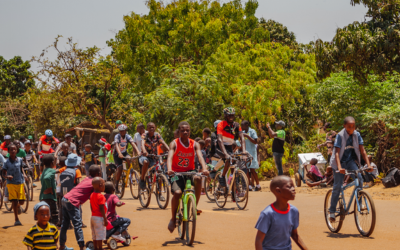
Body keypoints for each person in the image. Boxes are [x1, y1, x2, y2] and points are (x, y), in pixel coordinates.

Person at [328, 116, 373, 223]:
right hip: (338, 162)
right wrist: (339, 167)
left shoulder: (357, 135)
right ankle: (332, 211)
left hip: (350, 161)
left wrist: (368, 165)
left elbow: (363, 151)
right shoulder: (340, 135)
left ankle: (360, 201)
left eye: (353, 126)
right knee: (337, 186)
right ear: (344, 126)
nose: (351, 129)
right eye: (349, 127)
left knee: (360, 180)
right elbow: (337, 153)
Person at [167, 121, 209, 233]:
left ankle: (194, 207)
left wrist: (204, 169)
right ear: (179, 132)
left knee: (198, 179)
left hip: (190, 171)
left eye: (187, 130)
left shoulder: (194, 143)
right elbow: (170, 157)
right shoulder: (174, 143)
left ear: (190, 131)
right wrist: (169, 169)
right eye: (183, 130)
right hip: (176, 173)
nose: (185, 132)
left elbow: (200, 157)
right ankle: (172, 219)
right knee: (177, 193)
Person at [255, 176, 308, 250]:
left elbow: (295, 235)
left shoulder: (294, 211)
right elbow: (258, 240)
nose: (293, 189)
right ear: (278, 191)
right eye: (289, 187)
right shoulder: (267, 214)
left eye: (293, 186)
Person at [59, 164, 101, 250]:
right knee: (77, 225)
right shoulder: (95, 183)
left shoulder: (87, 178)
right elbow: (94, 199)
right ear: (98, 173)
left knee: (65, 224)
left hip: (65, 198)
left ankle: (62, 246)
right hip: (73, 202)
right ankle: (82, 247)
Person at [214, 107, 246, 187]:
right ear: (225, 116)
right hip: (220, 147)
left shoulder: (236, 125)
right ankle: (222, 176)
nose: (231, 117)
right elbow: (220, 140)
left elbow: (242, 137)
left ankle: (233, 190)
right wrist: (225, 154)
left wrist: (244, 151)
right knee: (228, 158)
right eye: (229, 115)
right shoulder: (221, 124)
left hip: (229, 148)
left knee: (233, 167)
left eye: (232, 115)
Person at [2, 143, 28, 226]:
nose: (13, 151)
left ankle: (17, 206)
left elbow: (21, 168)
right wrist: (7, 176)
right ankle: (16, 219)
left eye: (14, 149)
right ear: (8, 151)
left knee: (22, 201)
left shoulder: (20, 159)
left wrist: (24, 174)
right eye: (11, 150)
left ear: (17, 150)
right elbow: (3, 173)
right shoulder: (6, 162)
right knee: (14, 200)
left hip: (20, 182)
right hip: (11, 183)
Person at [139, 122, 169, 189]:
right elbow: (142, 144)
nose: (151, 128)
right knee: (146, 162)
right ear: (147, 128)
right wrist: (144, 151)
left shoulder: (157, 135)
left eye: (153, 127)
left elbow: (163, 143)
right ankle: (142, 180)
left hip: (154, 157)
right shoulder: (144, 135)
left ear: (155, 128)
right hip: (145, 156)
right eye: (150, 127)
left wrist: (170, 150)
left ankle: (160, 192)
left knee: (159, 172)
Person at [56, 155, 82, 228]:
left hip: (64, 190)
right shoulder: (77, 170)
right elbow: (77, 182)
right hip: (73, 191)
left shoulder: (64, 168)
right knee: (77, 207)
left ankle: (63, 222)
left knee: (63, 206)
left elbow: (56, 171)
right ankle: (79, 222)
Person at [113, 124, 139, 192]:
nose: (122, 132)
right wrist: (119, 153)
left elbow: (133, 144)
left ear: (125, 131)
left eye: (123, 131)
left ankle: (130, 172)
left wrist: (138, 151)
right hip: (117, 154)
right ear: (119, 131)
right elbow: (116, 145)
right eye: (121, 131)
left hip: (124, 153)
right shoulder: (117, 136)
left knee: (129, 159)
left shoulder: (128, 136)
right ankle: (116, 185)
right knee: (120, 168)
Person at [241, 120, 261, 191]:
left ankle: (258, 185)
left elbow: (255, 141)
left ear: (246, 125)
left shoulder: (252, 131)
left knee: (252, 169)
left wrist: (247, 136)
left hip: (252, 153)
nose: (241, 126)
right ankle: (249, 186)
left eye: (242, 125)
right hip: (245, 153)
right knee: (246, 169)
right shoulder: (242, 132)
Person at [39, 154, 59, 226]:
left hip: (43, 197)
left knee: (46, 218)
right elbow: (47, 178)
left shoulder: (44, 171)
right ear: (52, 162)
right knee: (54, 218)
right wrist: (50, 188)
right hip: (50, 198)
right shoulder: (51, 170)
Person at [90, 177, 107, 250]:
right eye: (104, 184)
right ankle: (100, 248)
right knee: (99, 235)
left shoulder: (92, 195)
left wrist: (93, 213)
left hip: (93, 217)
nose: (104, 186)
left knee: (94, 234)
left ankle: (95, 248)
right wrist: (105, 219)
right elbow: (101, 208)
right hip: (99, 218)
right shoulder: (101, 196)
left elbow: (91, 206)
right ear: (100, 185)